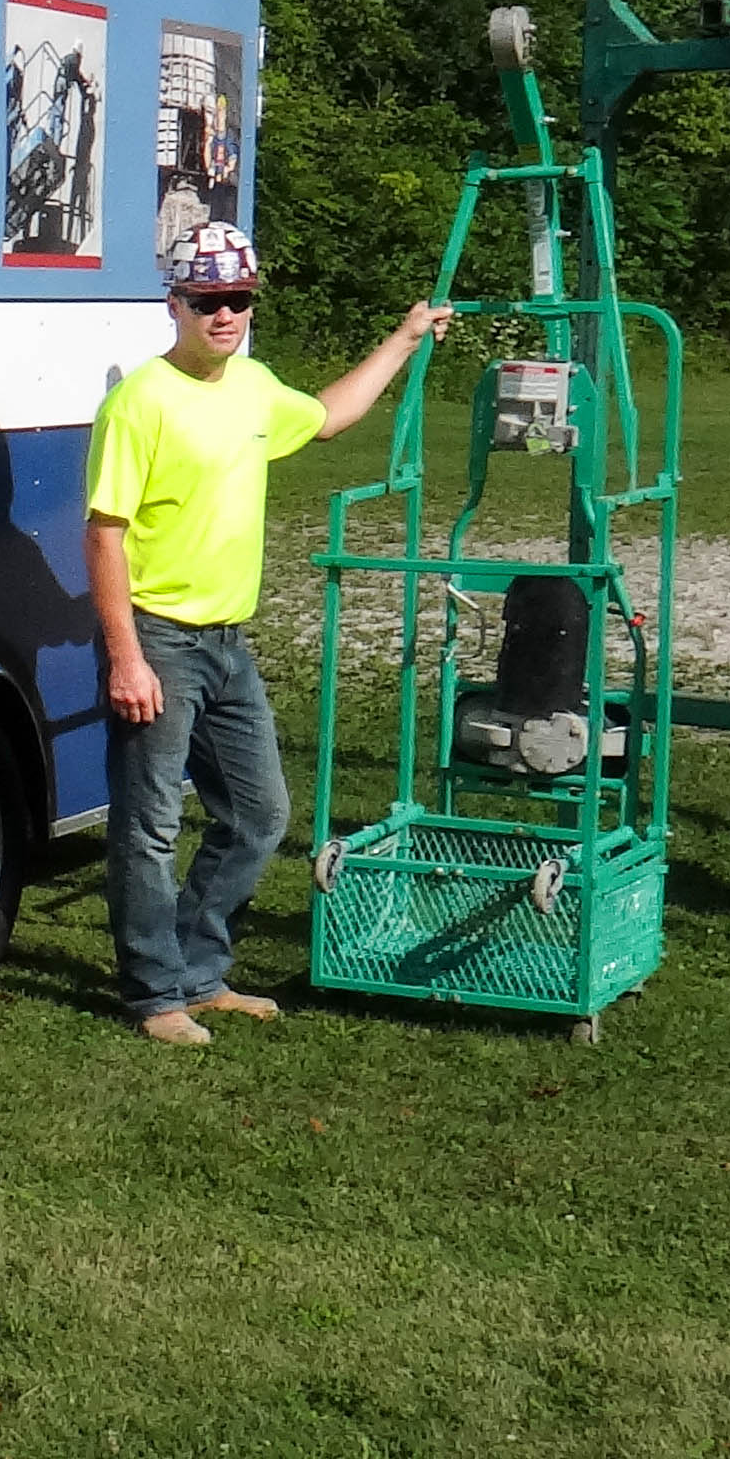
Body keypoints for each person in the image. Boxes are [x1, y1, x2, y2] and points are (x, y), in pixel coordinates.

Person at [84, 224, 450, 1045]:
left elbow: (326, 417)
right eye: (208, 300)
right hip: (162, 640)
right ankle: (155, 997)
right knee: (148, 828)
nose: (225, 315)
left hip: (227, 643)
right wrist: (127, 656)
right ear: (173, 302)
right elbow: (104, 534)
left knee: (258, 814)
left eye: (239, 300)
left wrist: (402, 340)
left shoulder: (251, 385)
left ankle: (201, 973)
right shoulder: (140, 402)